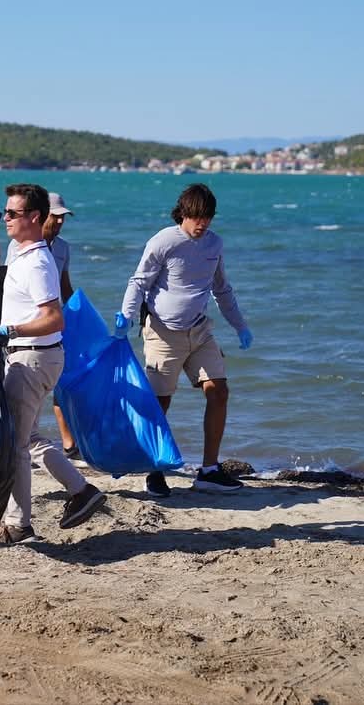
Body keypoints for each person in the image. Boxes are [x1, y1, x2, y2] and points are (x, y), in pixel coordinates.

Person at [0, 183, 106, 544]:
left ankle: (20, 525)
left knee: (16, 445)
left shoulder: (38, 261)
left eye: (12, 213)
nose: (3, 218)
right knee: (28, 437)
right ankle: (81, 491)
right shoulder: (18, 251)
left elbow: (54, 318)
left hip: (33, 358)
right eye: (4, 212)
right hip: (29, 355)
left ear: (34, 217)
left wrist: (10, 330)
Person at [116, 183, 253, 496]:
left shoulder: (214, 244)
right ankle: (154, 469)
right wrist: (126, 315)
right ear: (183, 214)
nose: (201, 224)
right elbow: (138, 282)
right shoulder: (164, 241)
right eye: (195, 217)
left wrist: (240, 326)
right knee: (160, 402)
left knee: (219, 390)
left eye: (207, 217)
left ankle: (209, 470)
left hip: (200, 330)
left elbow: (222, 289)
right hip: (163, 332)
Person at [9, 191, 84, 466]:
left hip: (46, 333)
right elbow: (11, 289)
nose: (60, 223)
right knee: (27, 419)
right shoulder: (19, 249)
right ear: (42, 216)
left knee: (57, 385)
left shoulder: (62, 249)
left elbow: (64, 288)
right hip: (26, 333)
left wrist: (82, 316)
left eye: (64, 218)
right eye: (56, 217)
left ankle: (68, 445)